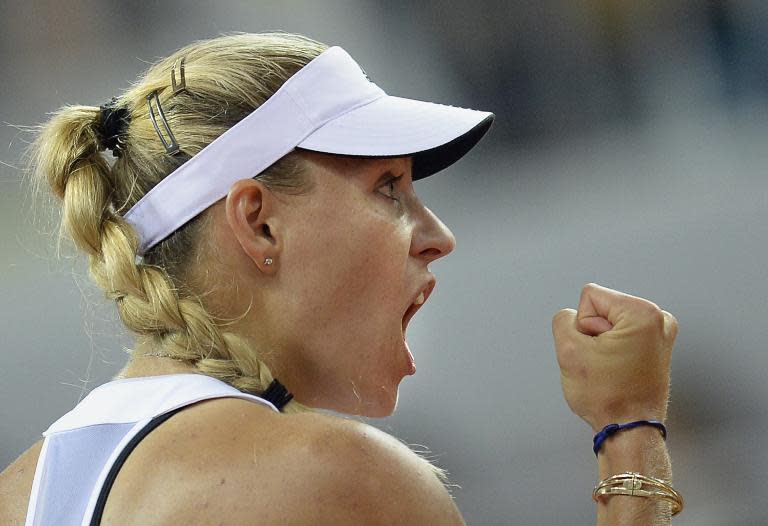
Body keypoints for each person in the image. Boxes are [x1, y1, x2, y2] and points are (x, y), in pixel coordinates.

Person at [0, 32, 681, 525]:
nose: (440, 238)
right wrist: (631, 429)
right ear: (258, 222)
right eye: (389, 189)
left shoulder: (16, 492)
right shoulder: (337, 475)